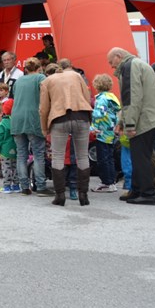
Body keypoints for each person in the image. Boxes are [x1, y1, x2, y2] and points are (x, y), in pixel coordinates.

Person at [108, 47, 155, 206]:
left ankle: (147, 194)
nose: (111, 66)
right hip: (150, 118)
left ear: (118, 56)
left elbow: (132, 98)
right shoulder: (136, 64)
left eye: (111, 62)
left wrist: (129, 125)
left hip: (144, 120)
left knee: (140, 158)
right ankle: (137, 190)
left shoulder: (129, 67)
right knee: (140, 156)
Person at [39, 62, 94, 207]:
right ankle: (83, 195)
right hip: (81, 115)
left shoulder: (47, 81)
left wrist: (44, 128)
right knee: (82, 156)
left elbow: (43, 108)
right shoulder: (76, 75)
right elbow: (87, 96)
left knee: (58, 156)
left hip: (59, 118)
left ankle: (60, 195)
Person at [12, 58, 50, 196]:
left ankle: (24, 186)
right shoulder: (40, 78)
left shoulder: (19, 80)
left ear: (26, 68)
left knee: (21, 154)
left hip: (17, 119)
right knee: (38, 153)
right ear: (39, 67)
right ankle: (40, 186)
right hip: (33, 118)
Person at [0, 102, 17, 193]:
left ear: (2, 113)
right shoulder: (12, 121)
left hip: (5, 151)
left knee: (6, 168)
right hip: (15, 148)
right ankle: (16, 185)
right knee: (15, 168)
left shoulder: (1, 125)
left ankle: (7, 186)